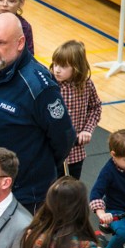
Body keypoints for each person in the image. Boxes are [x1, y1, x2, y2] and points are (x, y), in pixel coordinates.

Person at [0, 12, 74, 214]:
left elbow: (64, 138)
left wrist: (34, 168)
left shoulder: (38, 86)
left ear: (20, 43)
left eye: (0, 42)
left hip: (24, 197)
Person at [51, 40, 102, 180]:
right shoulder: (49, 84)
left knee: (70, 194)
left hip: (75, 153)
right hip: (50, 153)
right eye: (55, 64)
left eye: (63, 66)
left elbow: (95, 108)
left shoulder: (86, 85)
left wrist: (87, 129)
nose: (57, 69)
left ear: (76, 67)